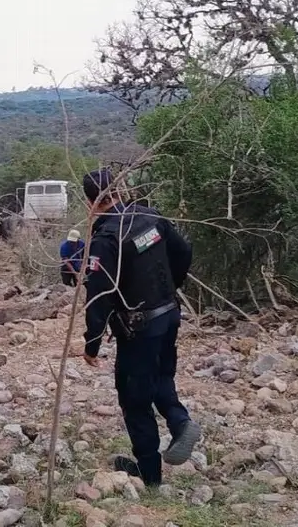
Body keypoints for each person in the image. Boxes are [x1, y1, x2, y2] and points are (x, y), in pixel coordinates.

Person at [80, 168, 200, 487]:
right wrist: (170, 287)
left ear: (89, 201)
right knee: (160, 376)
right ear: (118, 192)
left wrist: (92, 344)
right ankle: (179, 421)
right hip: (169, 314)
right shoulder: (150, 217)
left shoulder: (106, 238)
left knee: (134, 397)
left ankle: (150, 476)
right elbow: (184, 251)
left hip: (138, 328)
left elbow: (99, 296)